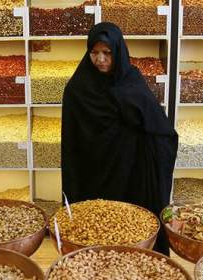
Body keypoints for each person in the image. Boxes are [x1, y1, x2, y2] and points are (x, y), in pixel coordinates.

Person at [61, 22, 178, 256]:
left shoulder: (131, 81)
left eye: (107, 53)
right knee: (95, 232)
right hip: (92, 174)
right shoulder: (77, 88)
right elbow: (71, 140)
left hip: (130, 171)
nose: (100, 59)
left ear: (118, 52)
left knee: (131, 231)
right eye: (94, 53)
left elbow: (161, 129)